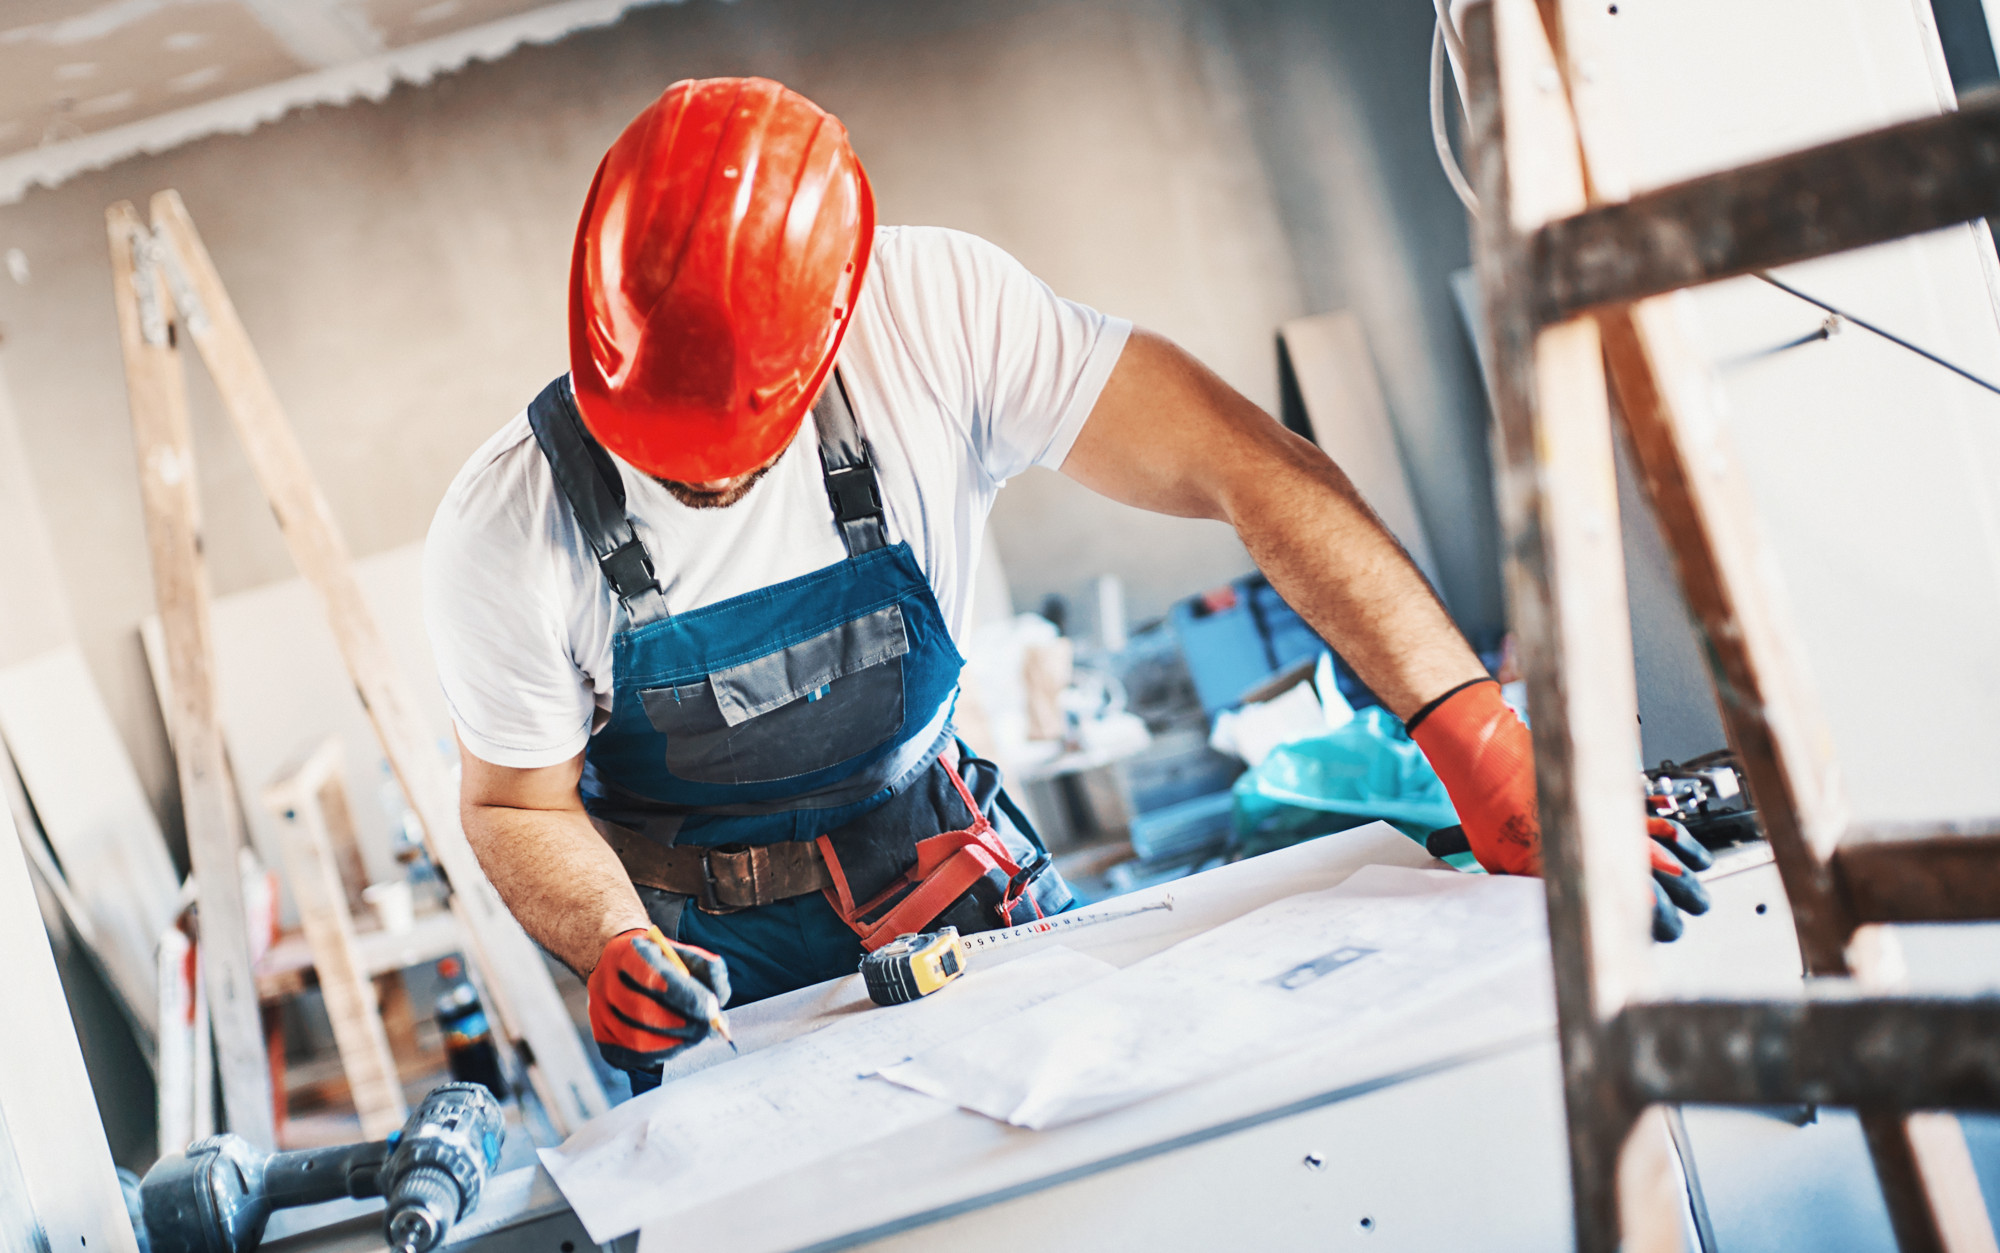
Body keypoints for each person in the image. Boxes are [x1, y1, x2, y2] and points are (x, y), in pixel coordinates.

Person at [423, 76, 1708, 1091]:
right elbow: (515, 805)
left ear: (826, 338)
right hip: (715, 958)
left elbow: (1248, 470)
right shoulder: (503, 526)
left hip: (942, 868)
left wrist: (1475, 737)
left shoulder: (934, 318)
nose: (696, 486)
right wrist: (611, 943)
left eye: (732, 447)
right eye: (659, 446)